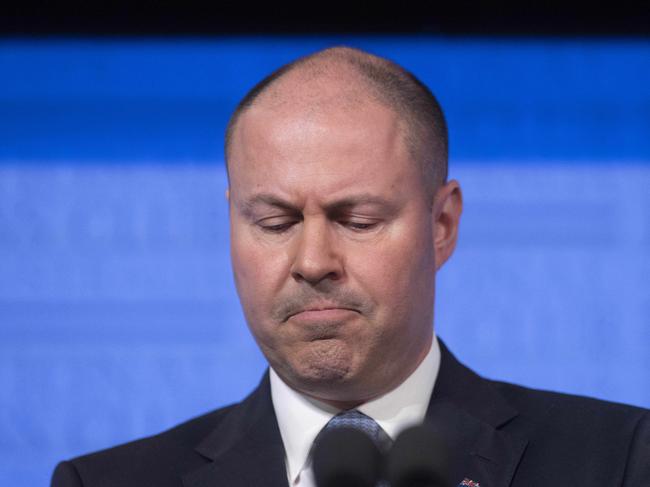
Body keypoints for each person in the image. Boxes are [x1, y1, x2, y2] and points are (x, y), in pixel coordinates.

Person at [51, 47, 649, 487]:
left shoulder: (620, 461)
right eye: (275, 222)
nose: (313, 262)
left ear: (442, 226)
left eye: (357, 220)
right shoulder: (106, 482)